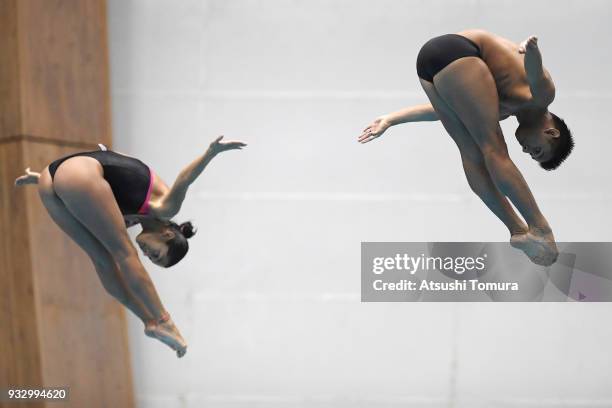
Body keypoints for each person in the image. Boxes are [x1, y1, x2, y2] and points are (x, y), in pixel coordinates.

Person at [15, 136, 246, 357]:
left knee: (102, 259)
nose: (147, 254)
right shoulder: (165, 207)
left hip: (51, 180)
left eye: (151, 258)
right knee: (124, 254)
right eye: (156, 253)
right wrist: (211, 153)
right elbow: (185, 179)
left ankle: (150, 322)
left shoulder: (128, 217)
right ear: (167, 233)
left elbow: (107, 171)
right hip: (76, 173)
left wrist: (41, 179)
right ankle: (164, 320)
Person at [358, 29, 574, 266]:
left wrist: (392, 118)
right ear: (551, 133)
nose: (527, 151)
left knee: (471, 152)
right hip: (461, 50)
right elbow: (536, 75)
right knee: (494, 150)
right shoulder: (542, 98)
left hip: (428, 66)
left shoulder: (500, 109)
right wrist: (532, 50)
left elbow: (441, 109)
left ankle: (518, 230)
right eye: (537, 150)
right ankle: (540, 228)